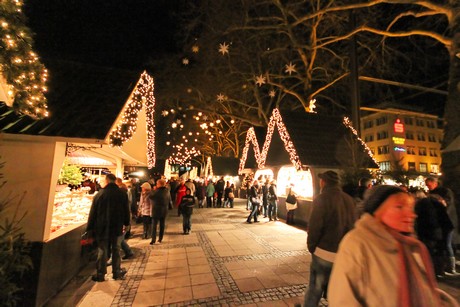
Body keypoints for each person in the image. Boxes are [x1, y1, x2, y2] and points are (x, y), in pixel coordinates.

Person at [328, 185, 458, 307]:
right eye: (399, 207)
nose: (411, 215)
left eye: (411, 207)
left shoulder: (411, 246)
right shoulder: (357, 242)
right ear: (377, 211)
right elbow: (342, 299)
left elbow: (423, 289)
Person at [304, 171, 356, 307]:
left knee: (315, 289)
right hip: (342, 254)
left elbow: (315, 226)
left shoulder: (322, 199)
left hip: (323, 253)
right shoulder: (349, 200)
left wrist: (311, 246)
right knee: (337, 290)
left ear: (324, 182)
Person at [86, 173, 130, 282]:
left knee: (102, 250)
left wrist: (89, 228)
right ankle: (116, 272)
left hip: (102, 227)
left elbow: (93, 213)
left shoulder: (99, 194)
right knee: (116, 249)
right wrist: (127, 222)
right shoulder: (122, 193)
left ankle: (101, 274)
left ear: (107, 181)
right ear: (114, 181)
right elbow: (126, 210)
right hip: (117, 226)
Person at [415, 192, 455, 276]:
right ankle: (442, 270)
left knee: (432, 250)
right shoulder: (434, 204)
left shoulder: (423, 204)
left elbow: (427, 219)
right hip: (440, 229)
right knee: (441, 249)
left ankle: (435, 270)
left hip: (431, 230)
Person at [149, 178, 170, 244]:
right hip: (164, 210)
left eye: (157, 184)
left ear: (159, 184)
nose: (156, 185)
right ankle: (160, 238)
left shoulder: (157, 191)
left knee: (154, 225)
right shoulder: (167, 190)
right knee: (162, 225)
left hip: (156, 210)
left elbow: (151, 196)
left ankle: (153, 239)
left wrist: (153, 190)